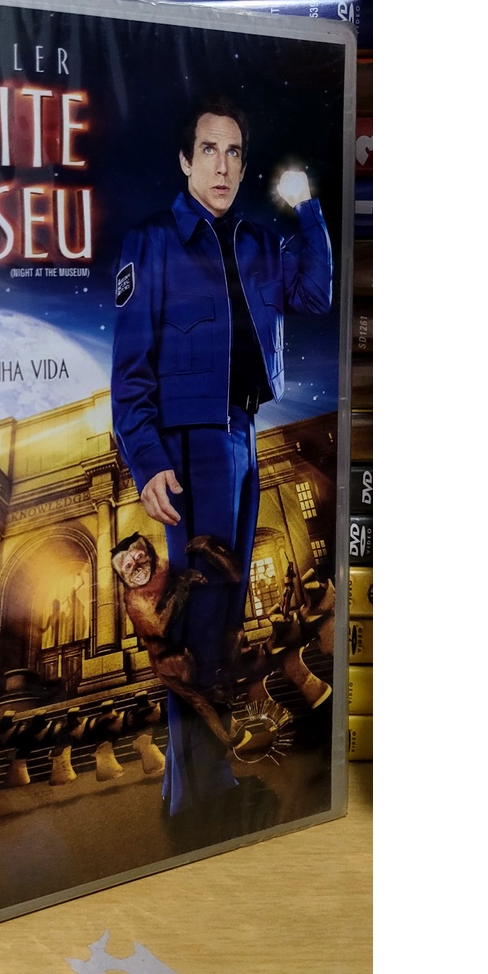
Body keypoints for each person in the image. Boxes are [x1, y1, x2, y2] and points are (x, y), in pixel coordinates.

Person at [110, 95, 332, 819]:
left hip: (241, 435)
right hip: (186, 447)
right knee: (195, 626)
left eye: (234, 152)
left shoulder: (260, 243)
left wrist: (308, 212)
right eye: (209, 150)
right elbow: (130, 370)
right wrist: (147, 460)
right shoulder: (151, 243)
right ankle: (201, 797)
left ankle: (195, 789)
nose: (223, 165)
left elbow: (315, 294)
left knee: (223, 621)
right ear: (185, 160)